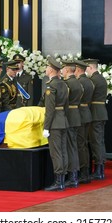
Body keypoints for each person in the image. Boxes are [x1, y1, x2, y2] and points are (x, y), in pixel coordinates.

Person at [43, 56, 69, 191]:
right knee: (63, 151)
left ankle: (58, 181)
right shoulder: (64, 84)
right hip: (63, 120)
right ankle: (63, 179)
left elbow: (50, 109)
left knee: (56, 152)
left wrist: (46, 127)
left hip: (54, 123)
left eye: (47, 67)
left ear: (52, 70)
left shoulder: (51, 86)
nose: (46, 69)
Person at [83, 58, 108, 180]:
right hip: (101, 112)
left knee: (95, 141)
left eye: (86, 68)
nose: (85, 70)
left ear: (91, 67)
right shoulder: (101, 78)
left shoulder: (93, 80)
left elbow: (88, 96)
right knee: (99, 140)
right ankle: (100, 168)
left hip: (95, 113)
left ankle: (98, 170)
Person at [61, 60, 82, 188]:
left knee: (70, 148)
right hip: (76, 116)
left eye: (63, 69)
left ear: (67, 70)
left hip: (69, 116)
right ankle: (74, 175)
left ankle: (72, 176)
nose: (62, 71)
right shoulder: (79, 83)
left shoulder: (67, 84)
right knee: (73, 146)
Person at [74, 59, 94, 183]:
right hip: (87, 113)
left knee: (80, 145)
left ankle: (83, 172)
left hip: (80, 114)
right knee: (84, 144)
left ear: (78, 69)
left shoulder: (80, 83)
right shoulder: (89, 82)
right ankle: (86, 171)